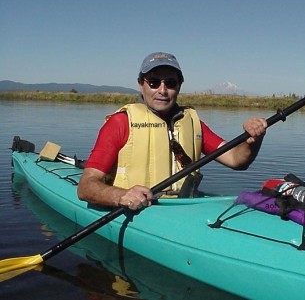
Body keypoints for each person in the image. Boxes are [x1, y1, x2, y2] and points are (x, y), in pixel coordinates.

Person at [78, 52, 267, 210]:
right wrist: (121, 195)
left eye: (170, 83)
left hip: (183, 208)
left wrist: (253, 140)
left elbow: (236, 160)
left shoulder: (193, 124)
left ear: (179, 86)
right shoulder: (120, 123)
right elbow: (86, 186)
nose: (162, 90)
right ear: (140, 84)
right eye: (153, 82)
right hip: (137, 210)